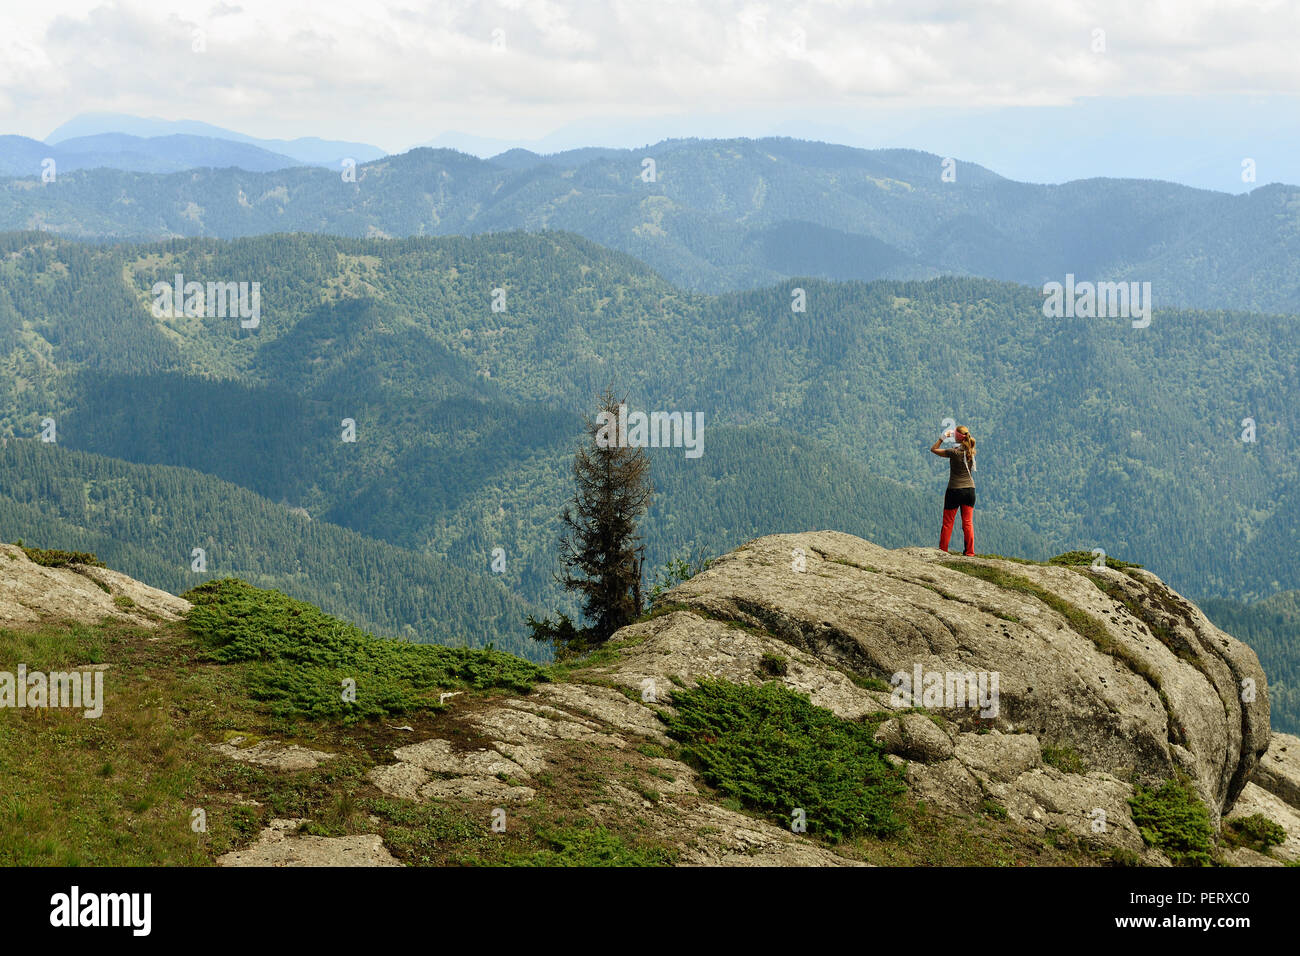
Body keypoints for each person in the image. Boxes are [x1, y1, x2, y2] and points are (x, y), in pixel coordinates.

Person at [930, 425, 976, 556]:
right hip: (969, 491)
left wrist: (942, 438)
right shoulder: (971, 451)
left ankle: (943, 550)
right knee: (967, 523)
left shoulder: (953, 452)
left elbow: (934, 449)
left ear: (958, 437)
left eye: (955, 434)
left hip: (954, 490)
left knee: (948, 522)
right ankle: (970, 552)